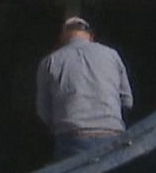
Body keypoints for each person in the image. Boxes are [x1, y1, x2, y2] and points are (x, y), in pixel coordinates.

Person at [35, 16, 133, 160]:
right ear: (91, 36)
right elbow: (127, 102)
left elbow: (43, 111)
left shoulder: (50, 61)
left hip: (72, 138)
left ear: (62, 37)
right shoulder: (112, 55)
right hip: (113, 135)